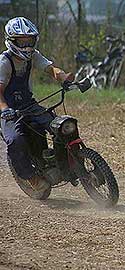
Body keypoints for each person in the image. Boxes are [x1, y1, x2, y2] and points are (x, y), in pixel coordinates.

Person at [0, 17, 74, 191]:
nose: (27, 46)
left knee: (60, 125)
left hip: (29, 104)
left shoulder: (33, 56)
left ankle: (66, 162)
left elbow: (51, 69)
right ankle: (30, 177)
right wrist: (5, 109)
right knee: (15, 140)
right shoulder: (4, 62)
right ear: (11, 40)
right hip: (7, 109)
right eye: (21, 41)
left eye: (30, 41)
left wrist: (64, 78)